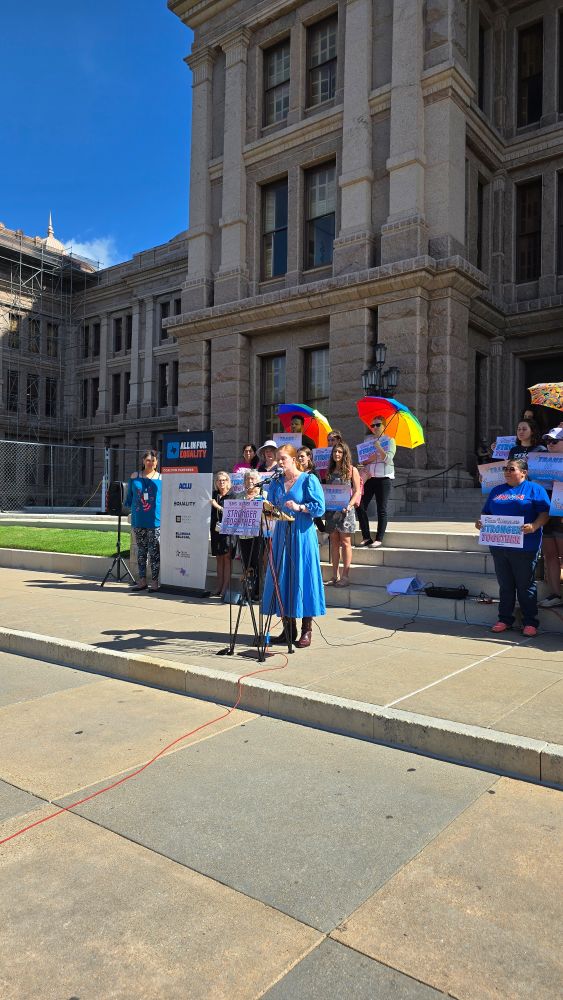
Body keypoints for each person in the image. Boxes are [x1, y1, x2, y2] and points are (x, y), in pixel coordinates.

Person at [475, 458, 550, 636]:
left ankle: (530, 622)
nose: (507, 472)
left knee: (525, 585)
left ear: (524, 472)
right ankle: (504, 619)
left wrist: (534, 526)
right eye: (505, 469)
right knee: (505, 584)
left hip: (525, 546)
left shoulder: (535, 489)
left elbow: (545, 513)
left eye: (511, 469)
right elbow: (487, 512)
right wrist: (480, 522)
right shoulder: (497, 490)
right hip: (499, 545)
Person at [262, 445, 326, 648]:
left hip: (301, 535)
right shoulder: (276, 482)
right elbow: (270, 506)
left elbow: (320, 507)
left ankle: (306, 629)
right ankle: (288, 629)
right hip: (281, 534)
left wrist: (300, 507)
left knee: (302, 578)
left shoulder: (308, 479)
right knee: (283, 579)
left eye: (283, 459)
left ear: (293, 459)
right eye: (278, 459)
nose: (280, 462)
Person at [324, 442, 362, 587]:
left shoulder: (352, 470)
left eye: (340, 452)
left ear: (344, 454)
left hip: (346, 511)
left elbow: (357, 491)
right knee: (334, 543)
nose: (337, 454)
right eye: (335, 452)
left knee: (345, 543)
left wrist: (349, 505)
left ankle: (345, 576)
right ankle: (335, 575)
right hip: (332, 511)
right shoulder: (329, 471)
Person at [357, 416, 396, 547]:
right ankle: (366, 536)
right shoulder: (367, 440)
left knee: (381, 508)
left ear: (384, 425)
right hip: (369, 477)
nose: (374, 428)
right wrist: (370, 459)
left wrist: (379, 448)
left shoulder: (390, 440)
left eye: (377, 425)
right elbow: (363, 460)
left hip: (384, 477)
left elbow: (389, 459)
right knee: (361, 505)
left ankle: (379, 538)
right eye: (372, 425)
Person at [126, 448, 162, 591]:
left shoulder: (161, 478)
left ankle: (154, 582)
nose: (150, 463)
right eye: (147, 460)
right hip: (139, 519)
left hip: (155, 521)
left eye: (153, 460)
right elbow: (129, 497)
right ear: (143, 461)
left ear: (157, 462)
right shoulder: (135, 476)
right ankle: (142, 581)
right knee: (141, 551)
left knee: (154, 552)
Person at [538, 427, 563, 608]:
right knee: (550, 555)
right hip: (546, 511)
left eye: (554, 441)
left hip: (561, 510)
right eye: (548, 441)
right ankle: (555, 594)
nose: (550, 444)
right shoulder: (540, 462)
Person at [237, 468, 266, 601]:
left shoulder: (263, 495)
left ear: (258, 481)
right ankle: (248, 590)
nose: (250, 481)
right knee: (246, 563)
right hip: (243, 535)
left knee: (257, 563)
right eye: (247, 479)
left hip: (258, 534)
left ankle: (259, 592)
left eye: (253, 479)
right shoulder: (240, 496)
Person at [210, 471, 235, 598]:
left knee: (226, 558)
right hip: (215, 531)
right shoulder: (214, 495)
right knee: (218, 558)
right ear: (216, 483)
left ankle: (225, 587)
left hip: (228, 532)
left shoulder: (232, 496)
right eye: (219, 480)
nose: (221, 482)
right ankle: (219, 586)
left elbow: (231, 513)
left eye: (224, 480)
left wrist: (217, 506)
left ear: (228, 481)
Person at [297, 446, 325, 532]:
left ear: (309, 457)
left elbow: (318, 489)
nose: (300, 458)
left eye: (302, 456)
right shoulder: (297, 472)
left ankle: (323, 532)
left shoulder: (313, 473)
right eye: (298, 456)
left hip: (310, 504)